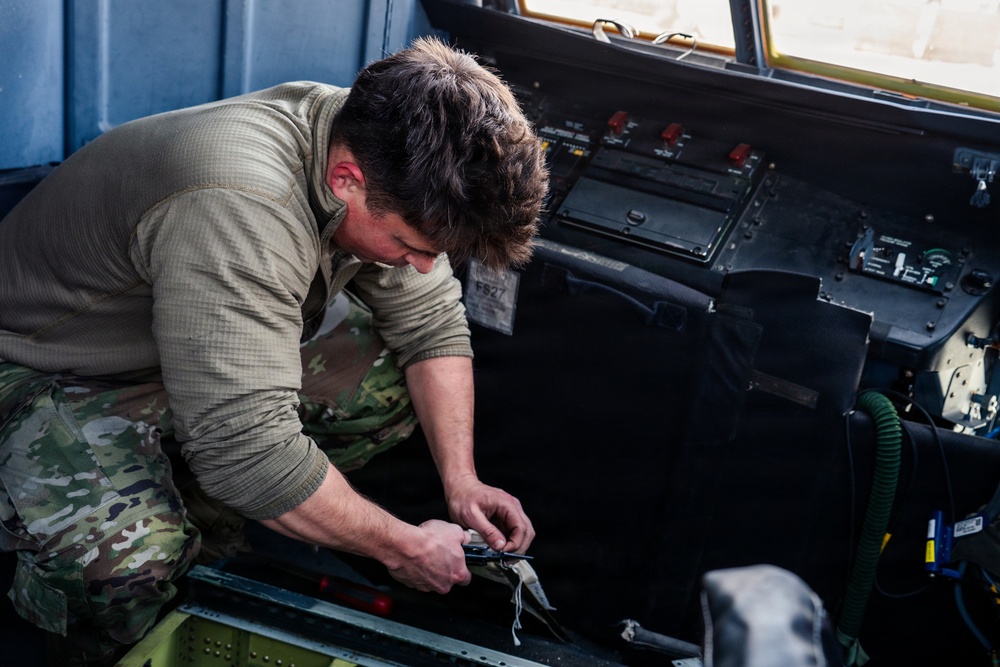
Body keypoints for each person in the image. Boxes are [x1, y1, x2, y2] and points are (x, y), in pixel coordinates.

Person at [0, 36, 548, 664]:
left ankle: (208, 525)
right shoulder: (241, 199)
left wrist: (462, 481)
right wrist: (402, 547)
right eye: (411, 246)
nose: (424, 269)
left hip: (168, 353)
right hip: (36, 369)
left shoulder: (376, 148)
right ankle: (83, 628)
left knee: (386, 385)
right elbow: (248, 452)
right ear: (347, 180)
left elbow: (431, 326)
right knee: (131, 565)